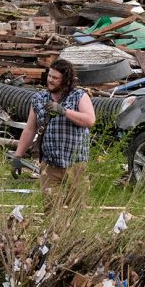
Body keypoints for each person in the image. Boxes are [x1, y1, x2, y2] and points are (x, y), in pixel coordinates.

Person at [14, 59, 96, 213]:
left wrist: (64, 111)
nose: (50, 80)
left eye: (55, 78)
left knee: (77, 210)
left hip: (75, 163)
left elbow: (90, 120)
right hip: (49, 164)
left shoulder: (78, 96)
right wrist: (17, 157)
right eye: (49, 76)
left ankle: (74, 236)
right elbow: (30, 129)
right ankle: (53, 236)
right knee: (51, 210)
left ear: (66, 80)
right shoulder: (38, 98)